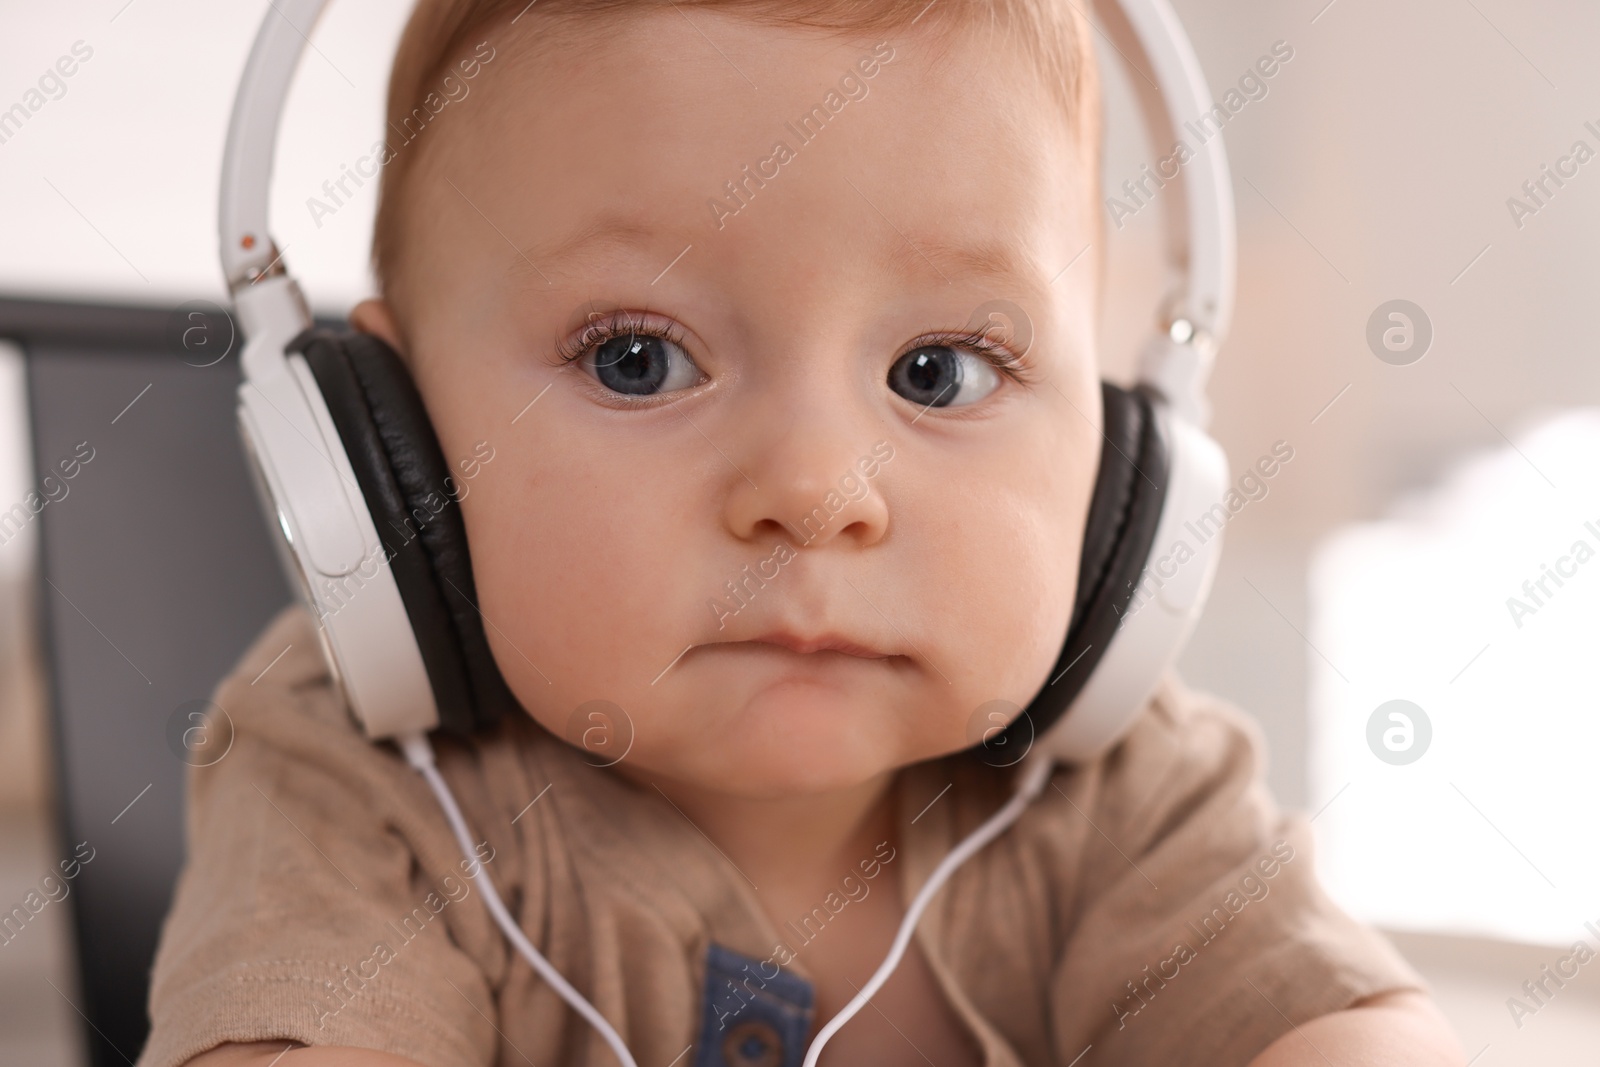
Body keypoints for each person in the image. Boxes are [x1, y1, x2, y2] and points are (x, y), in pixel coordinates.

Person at [139, 1, 1464, 1064]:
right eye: (639, 360)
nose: (820, 490)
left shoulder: (1124, 795)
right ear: (405, 450)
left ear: (1123, 461)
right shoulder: (358, 789)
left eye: (939, 370)